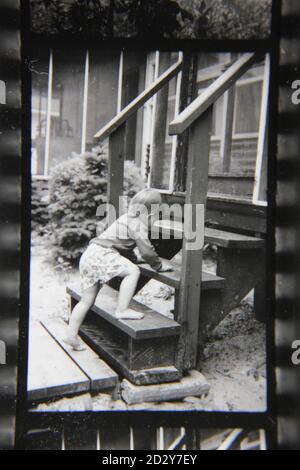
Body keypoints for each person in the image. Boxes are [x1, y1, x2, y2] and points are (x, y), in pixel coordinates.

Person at [64, 188, 172, 350]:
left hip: (90, 255)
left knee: (87, 301)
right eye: (156, 218)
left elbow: (124, 247)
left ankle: (71, 334)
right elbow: (147, 249)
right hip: (102, 255)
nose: (154, 223)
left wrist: (136, 259)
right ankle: (122, 309)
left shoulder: (125, 219)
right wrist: (158, 265)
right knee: (133, 271)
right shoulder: (138, 224)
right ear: (149, 215)